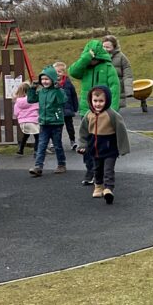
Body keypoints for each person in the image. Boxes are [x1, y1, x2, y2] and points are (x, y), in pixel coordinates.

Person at [68, 39, 121, 184]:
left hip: (104, 111)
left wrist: (112, 111)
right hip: (87, 110)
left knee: (102, 142)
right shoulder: (85, 67)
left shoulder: (108, 67)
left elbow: (115, 88)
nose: (91, 61)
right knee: (87, 142)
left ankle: (102, 170)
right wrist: (86, 58)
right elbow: (73, 71)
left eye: (93, 58)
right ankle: (90, 170)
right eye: (90, 58)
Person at [76, 85, 129, 203]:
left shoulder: (112, 115)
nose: (98, 104)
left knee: (108, 170)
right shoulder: (89, 115)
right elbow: (83, 131)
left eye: (101, 101)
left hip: (110, 149)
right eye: (95, 101)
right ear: (91, 100)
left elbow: (121, 131)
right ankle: (98, 186)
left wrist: (123, 148)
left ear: (107, 101)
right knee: (97, 169)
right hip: (95, 148)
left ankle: (108, 189)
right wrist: (82, 145)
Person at [26, 66, 67, 177]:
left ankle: (61, 164)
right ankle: (38, 166)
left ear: (52, 79)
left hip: (56, 123)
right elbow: (30, 100)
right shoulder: (41, 92)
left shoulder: (57, 91)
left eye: (47, 79)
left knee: (57, 145)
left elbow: (62, 100)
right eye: (42, 79)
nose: (44, 81)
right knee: (42, 145)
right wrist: (32, 89)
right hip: (44, 123)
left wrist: (58, 89)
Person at [52, 60, 80, 151]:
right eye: (55, 72)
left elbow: (74, 95)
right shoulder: (51, 84)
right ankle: (55, 142)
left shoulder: (68, 83)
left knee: (70, 126)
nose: (57, 74)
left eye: (59, 71)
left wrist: (75, 107)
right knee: (57, 127)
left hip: (67, 109)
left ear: (64, 72)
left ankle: (72, 140)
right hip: (56, 110)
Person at [101, 35, 134, 108]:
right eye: (103, 47)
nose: (105, 49)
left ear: (114, 46)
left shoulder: (122, 57)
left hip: (118, 90)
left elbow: (128, 75)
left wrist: (128, 91)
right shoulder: (99, 57)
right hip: (102, 90)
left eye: (108, 47)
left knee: (115, 111)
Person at [12, 81, 39, 156]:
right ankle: (36, 151)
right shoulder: (33, 100)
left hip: (23, 123)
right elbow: (39, 108)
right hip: (33, 121)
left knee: (26, 135)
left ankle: (21, 150)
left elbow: (16, 113)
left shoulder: (18, 102)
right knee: (38, 136)